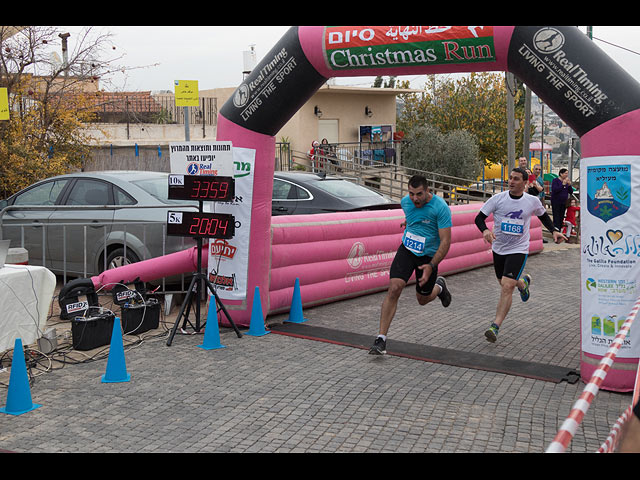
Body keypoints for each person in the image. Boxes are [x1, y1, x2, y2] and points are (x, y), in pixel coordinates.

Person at [474, 167, 567, 343]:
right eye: (510, 178)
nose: (511, 182)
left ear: (525, 183)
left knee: (507, 286)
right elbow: (479, 218)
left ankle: (495, 326)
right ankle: (523, 284)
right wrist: (485, 230)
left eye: (516, 179)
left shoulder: (531, 201)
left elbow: (543, 217)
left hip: (518, 248)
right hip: (499, 248)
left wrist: (554, 230)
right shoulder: (498, 199)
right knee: (504, 282)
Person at [369, 175, 452, 355]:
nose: (415, 198)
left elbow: (446, 242)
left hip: (429, 257)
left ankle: (439, 287)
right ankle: (380, 339)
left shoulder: (441, 208)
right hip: (407, 249)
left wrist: (431, 265)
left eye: (419, 194)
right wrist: (408, 222)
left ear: (428, 191)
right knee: (394, 288)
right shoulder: (406, 202)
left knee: (422, 300)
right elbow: (414, 217)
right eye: (411, 193)